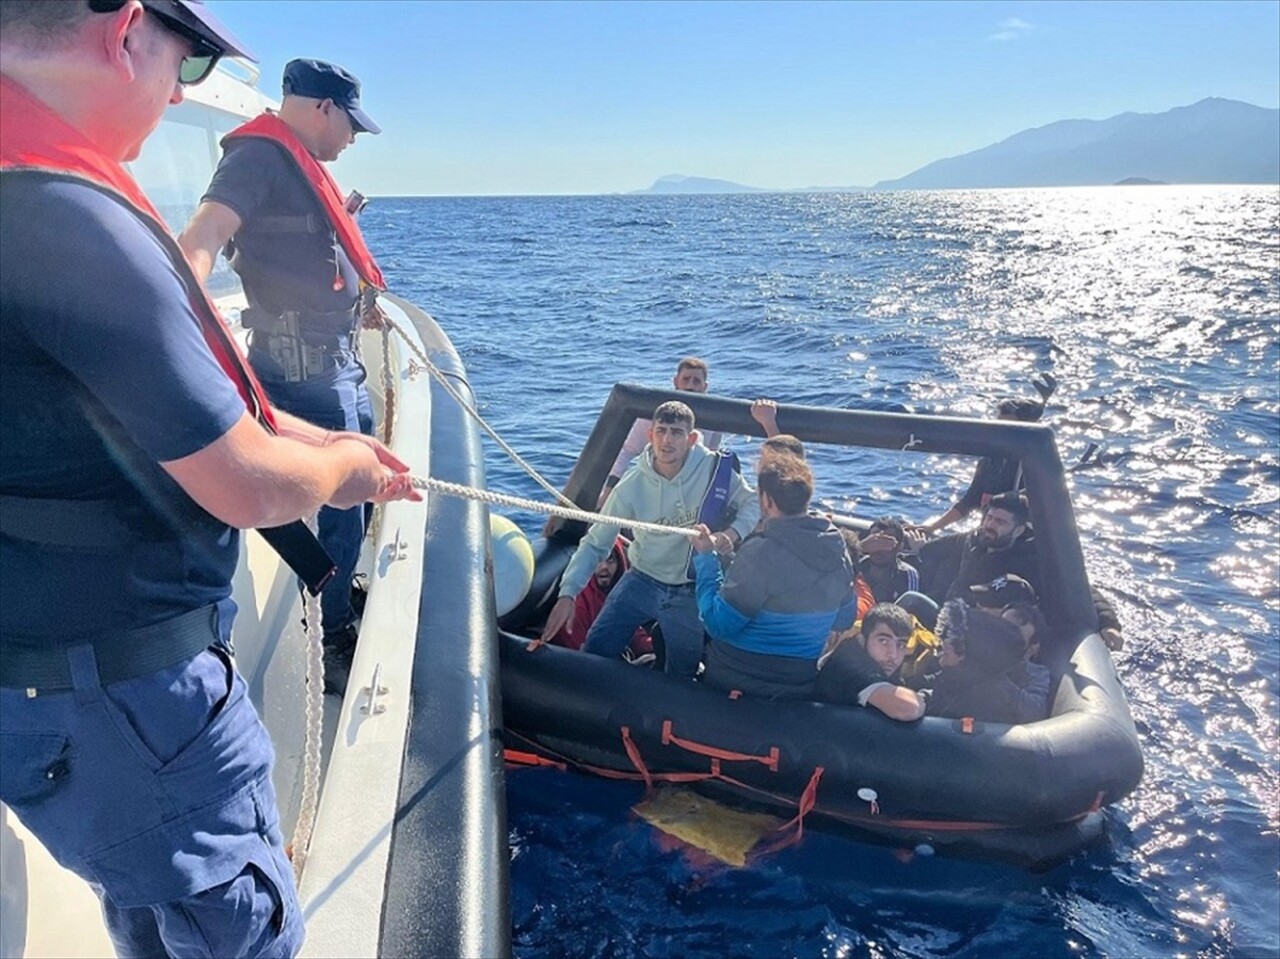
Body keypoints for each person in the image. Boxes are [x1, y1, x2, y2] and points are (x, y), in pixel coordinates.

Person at [0, 3, 417, 956]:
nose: (173, 96)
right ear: (127, 33)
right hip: (129, 696)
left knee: (146, 900)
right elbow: (247, 483)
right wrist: (345, 465)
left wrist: (301, 436)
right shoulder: (66, 220)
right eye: (184, 71)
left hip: (43, 680)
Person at [179, 56, 385, 694]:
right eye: (350, 124)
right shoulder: (258, 158)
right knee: (347, 496)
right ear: (322, 107)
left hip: (338, 362)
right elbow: (209, 228)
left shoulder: (299, 167)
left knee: (365, 474)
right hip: (306, 373)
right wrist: (177, 298)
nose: (352, 138)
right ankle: (332, 632)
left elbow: (291, 251)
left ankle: (336, 587)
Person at [539, 401, 758, 677]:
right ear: (650, 435)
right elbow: (596, 542)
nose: (667, 440)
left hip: (688, 587)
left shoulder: (714, 470)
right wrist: (568, 593)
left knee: (682, 671)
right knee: (596, 648)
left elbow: (753, 503)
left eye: (676, 433)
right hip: (641, 578)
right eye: (661, 431)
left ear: (691, 439)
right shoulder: (631, 485)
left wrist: (732, 533)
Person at [690, 457, 855, 699]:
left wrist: (706, 558)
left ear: (766, 500)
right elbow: (844, 619)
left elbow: (717, 624)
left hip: (735, 683)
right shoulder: (838, 549)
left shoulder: (759, 553)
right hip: (798, 688)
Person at [922, 378, 1056, 534]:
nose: (999, 432)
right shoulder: (989, 461)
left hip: (1018, 539)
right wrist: (932, 528)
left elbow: (1041, 501)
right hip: (988, 534)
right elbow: (969, 501)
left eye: (1007, 428)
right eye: (998, 426)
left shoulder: (1033, 463)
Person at [602, 357, 722, 494]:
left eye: (696, 381)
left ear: (705, 387)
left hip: (691, 490)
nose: (690, 386)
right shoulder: (654, 414)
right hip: (653, 486)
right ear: (676, 382)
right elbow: (626, 452)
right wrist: (608, 490)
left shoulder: (715, 420)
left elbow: (711, 461)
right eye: (686, 379)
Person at [813, 603, 927, 720]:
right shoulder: (850, 666)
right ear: (861, 639)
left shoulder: (878, 661)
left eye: (901, 645)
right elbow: (907, 708)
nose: (893, 654)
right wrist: (922, 699)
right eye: (883, 641)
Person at [923, 600, 1029, 724]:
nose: (942, 648)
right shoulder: (959, 679)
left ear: (972, 654)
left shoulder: (987, 701)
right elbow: (933, 687)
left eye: (953, 645)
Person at [546, 535, 651, 660]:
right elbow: (578, 657)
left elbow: (635, 635)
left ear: (619, 563)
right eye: (598, 561)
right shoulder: (579, 604)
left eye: (610, 559)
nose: (604, 567)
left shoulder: (622, 593)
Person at [857, 516, 921, 605]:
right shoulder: (857, 565)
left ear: (900, 546)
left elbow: (909, 609)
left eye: (887, 542)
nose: (879, 548)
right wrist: (859, 547)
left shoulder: (907, 574)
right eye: (875, 541)